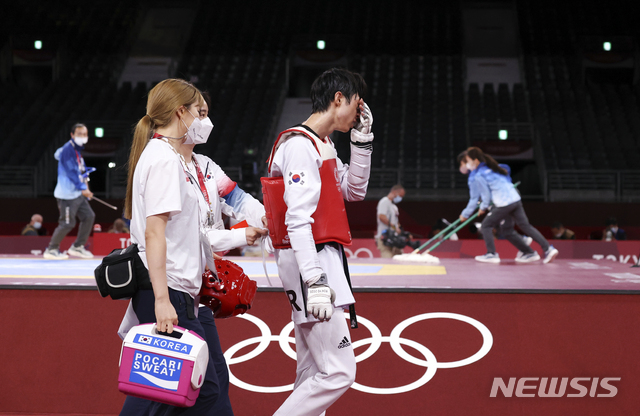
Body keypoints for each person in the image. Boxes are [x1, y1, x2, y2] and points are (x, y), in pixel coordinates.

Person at [118, 78, 266, 416]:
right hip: (169, 290)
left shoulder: (193, 164)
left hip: (187, 292)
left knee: (199, 389)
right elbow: (155, 234)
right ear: (180, 112)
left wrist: (266, 217)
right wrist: (160, 300)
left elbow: (229, 205)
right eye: (201, 113)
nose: (206, 122)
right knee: (185, 393)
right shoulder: (164, 161)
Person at [265, 68, 372, 415]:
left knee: (312, 373)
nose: (358, 113)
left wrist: (362, 141)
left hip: (322, 260)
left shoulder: (323, 144)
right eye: (357, 105)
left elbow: (353, 191)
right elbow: (297, 220)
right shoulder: (298, 146)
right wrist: (316, 282)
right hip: (310, 264)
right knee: (339, 372)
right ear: (338, 99)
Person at [460, 147, 558, 264]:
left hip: (503, 204)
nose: (468, 164)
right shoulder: (493, 167)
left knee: (486, 225)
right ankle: (544, 249)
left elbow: (485, 196)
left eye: (468, 161)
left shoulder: (479, 175)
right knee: (521, 227)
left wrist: (482, 207)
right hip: (516, 200)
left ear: (475, 160)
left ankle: (491, 254)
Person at [43, 124, 96, 259]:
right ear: (72, 135)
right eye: (79, 134)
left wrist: (86, 188)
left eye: (85, 134)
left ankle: (78, 247)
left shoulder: (77, 151)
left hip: (77, 194)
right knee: (67, 223)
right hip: (67, 196)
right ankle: (51, 249)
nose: (83, 137)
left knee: (89, 216)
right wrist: (83, 188)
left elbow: (82, 172)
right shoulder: (68, 150)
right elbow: (71, 172)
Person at [375, 184, 405, 257]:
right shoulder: (384, 201)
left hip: (394, 237)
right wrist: (394, 227)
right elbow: (381, 216)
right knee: (387, 259)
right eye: (400, 196)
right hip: (385, 237)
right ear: (394, 192)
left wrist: (399, 228)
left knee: (399, 258)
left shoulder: (393, 206)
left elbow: (396, 221)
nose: (400, 198)